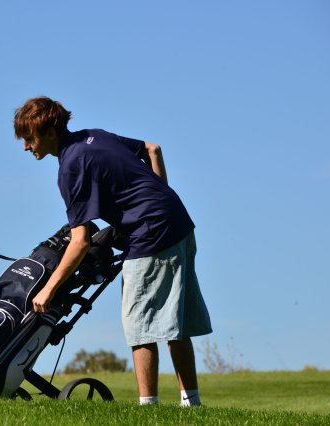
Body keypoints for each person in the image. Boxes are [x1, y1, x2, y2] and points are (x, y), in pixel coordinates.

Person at [13, 96, 212, 407]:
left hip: (150, 234)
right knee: (177, 320)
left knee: (140, 326)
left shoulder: (70, 167)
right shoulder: (95, 136)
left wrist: (48, 289)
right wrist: (160, 196)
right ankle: (191, 403)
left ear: (50, 132)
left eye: (29, 138)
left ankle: (149, 406)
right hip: (178, 221)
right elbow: (152, 149)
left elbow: (80, 241)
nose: (26, 147)